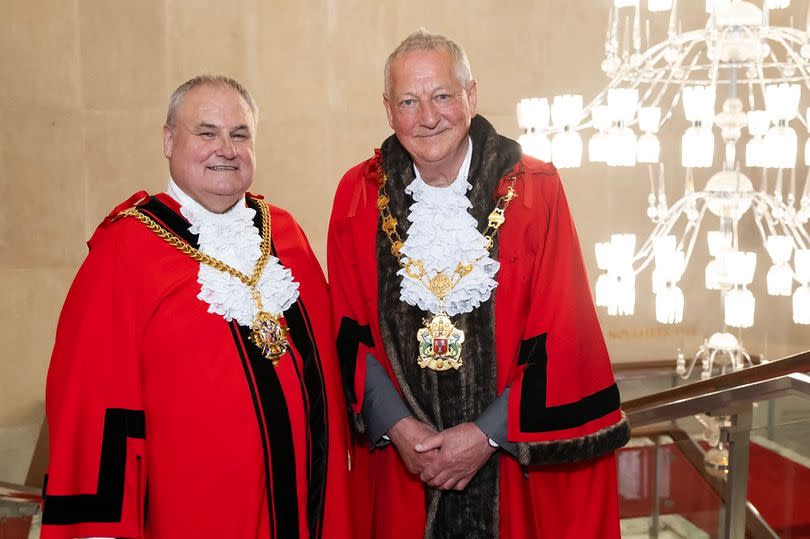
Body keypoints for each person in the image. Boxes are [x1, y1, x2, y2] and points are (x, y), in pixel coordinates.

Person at [328, 30, 631, 538]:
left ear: (471, 95)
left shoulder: (536, 191)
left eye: (442, 95)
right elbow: (346, 328)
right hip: (404, 466)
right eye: (409, 101)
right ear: (388, 110)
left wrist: (486, 435)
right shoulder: (358, 196)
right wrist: (401, 430)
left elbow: (562, 333)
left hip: (511, 467)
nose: (427, 116)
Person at [41, 75, 352, 539]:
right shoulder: (123, 252)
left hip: (308, 514)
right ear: (168, 140)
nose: (225, 148)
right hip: (190, 518)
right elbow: (91, 413)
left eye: (240, 134)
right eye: (206, 132)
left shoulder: (286, 233)